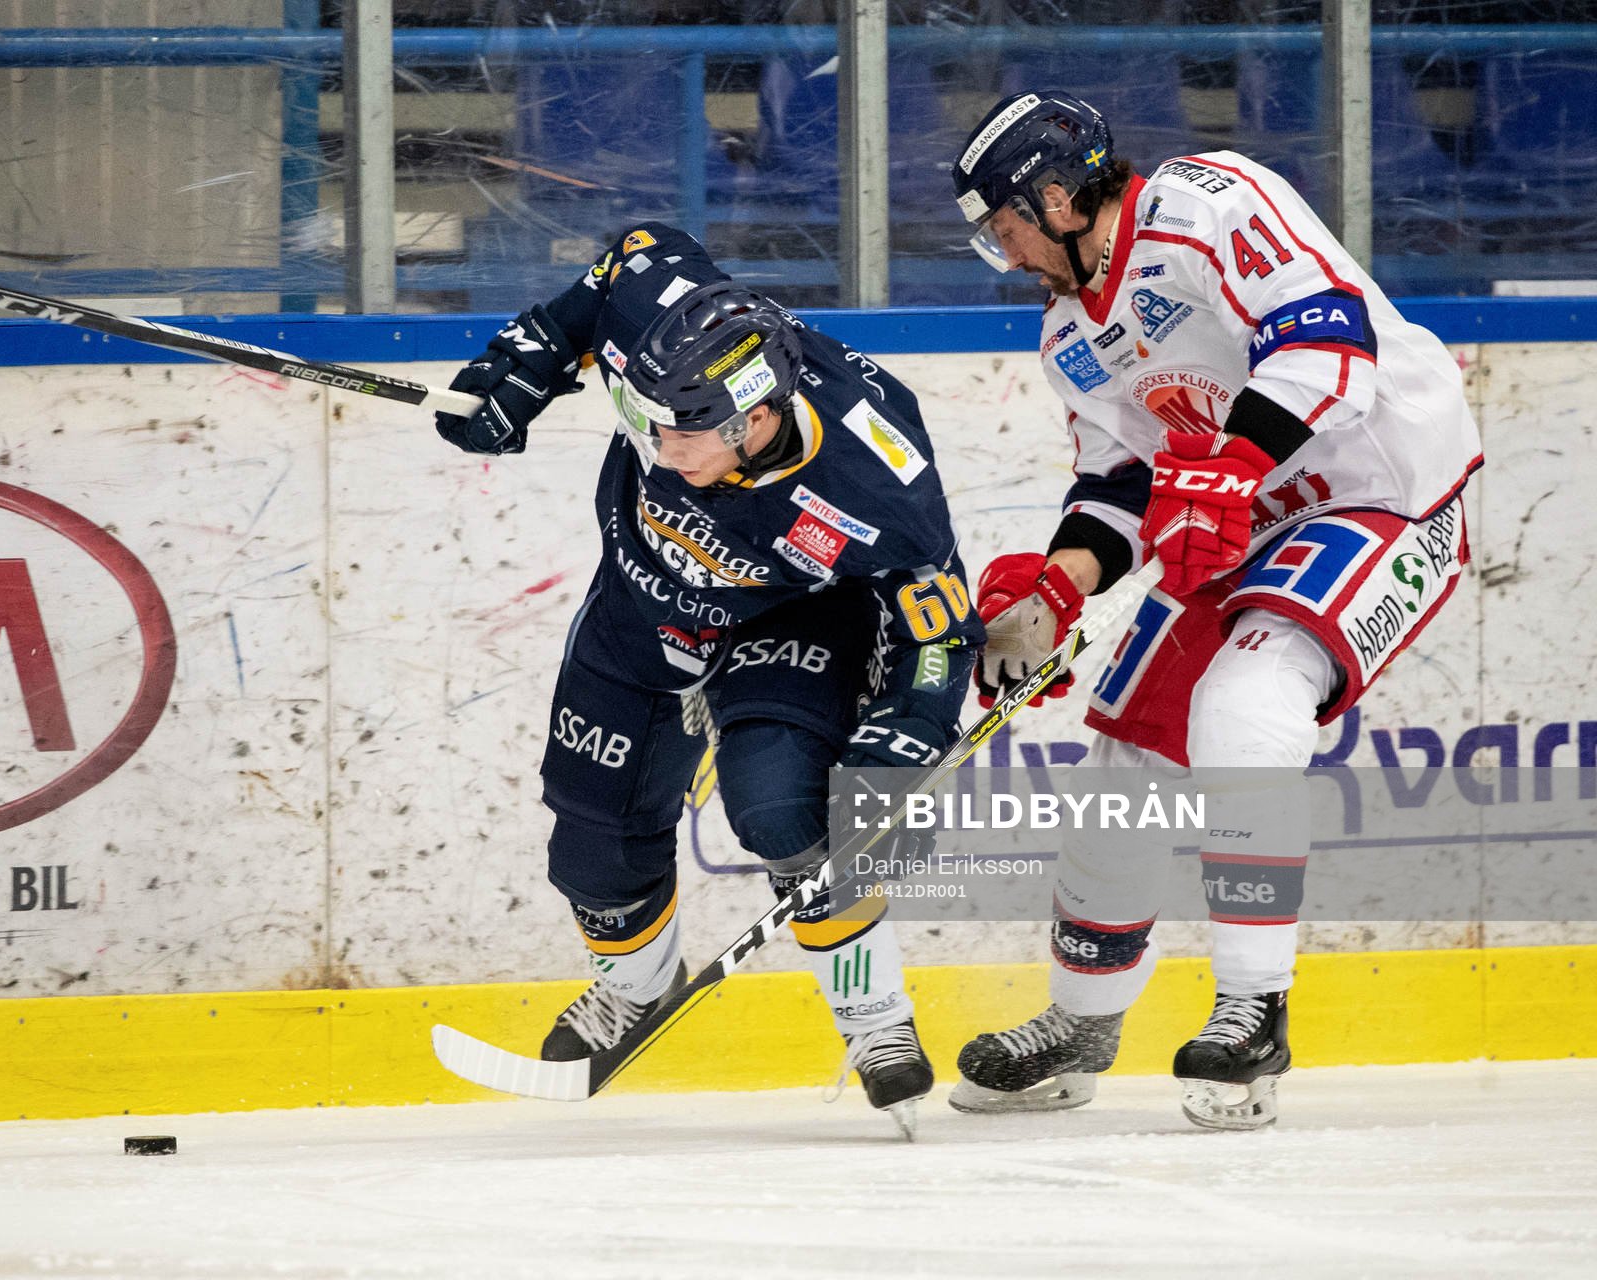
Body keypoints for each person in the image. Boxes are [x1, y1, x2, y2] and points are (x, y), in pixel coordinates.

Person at [943, 93, 1481, 1128]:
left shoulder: (1206, 202)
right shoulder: (1070, 334)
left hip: (1384, 490)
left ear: (1057, 198)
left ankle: (1253, 1008)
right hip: (1241, 519)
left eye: (1005, 225)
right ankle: (1082, 1022)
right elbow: (1120, 485)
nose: (1004, 253)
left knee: (1245, 702)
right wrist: (1058, 587)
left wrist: (1231, 465)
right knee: (1125, 756)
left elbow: (1327, 337)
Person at [434, 222, 985, 1132]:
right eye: (647, 422)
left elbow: (939, 622)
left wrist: (913, 724)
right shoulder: (664, 320)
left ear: (757, 418)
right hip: (642, 603)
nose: (660, 450)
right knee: (591, 848)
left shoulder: (875, 473)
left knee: (783, 810)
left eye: (684, 434)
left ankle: (874, 1018)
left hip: (786, 618)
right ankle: (636, 988)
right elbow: (632, 253)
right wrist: (538, 348)